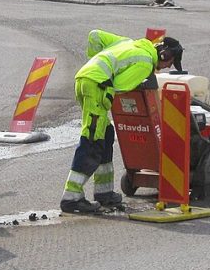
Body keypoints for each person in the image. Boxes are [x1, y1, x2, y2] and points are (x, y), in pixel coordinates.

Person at [60, 35, 185, 213]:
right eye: (170, 62)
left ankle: (104, 193)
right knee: (93, 139)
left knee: (106, 134)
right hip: (97, 86)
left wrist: (95, 65)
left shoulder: (127, 43)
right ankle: (71, 198)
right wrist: (108, 85)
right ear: (164, 55)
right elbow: (120, 86)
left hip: (83, 79)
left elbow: (95, 36)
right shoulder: (146, 63)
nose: (168, 67)